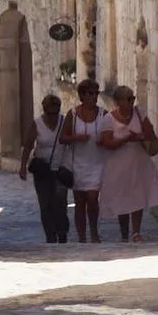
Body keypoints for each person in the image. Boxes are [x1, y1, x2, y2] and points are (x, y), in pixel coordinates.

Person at [97, 84, 158, 242]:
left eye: (133, 98)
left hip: (138, 163)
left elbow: (150, 134)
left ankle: (136, 232)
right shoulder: (108, 119)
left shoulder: (139, 114)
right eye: (128, 99)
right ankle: (124, 233)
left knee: (137, 196)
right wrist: (126, 139)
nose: (132, 102)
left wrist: (140, 136)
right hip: (119, 165)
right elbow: (107, 143)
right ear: (118, 101)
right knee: (122, 198)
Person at [19, 92, 68, 244]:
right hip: (43, 171)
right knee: (46, 204)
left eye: (55, 113)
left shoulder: (63, 122)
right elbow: (28, 145)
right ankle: (50, 236)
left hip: (60, 169)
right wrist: (23, 166)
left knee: (61, 204)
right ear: (44, 110)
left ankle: (62, 234)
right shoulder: (37, 124)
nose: (53, 116)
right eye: (50, 113)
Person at [61, 78, 106, 243]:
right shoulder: (72, 115)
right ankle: (81, 237)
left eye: (96, 93)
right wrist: (76, 137)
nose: (94, 97)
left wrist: (104, 141)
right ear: (82, 95)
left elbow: (111, 134)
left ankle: (94, 232)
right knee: (79, 202)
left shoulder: (103, 115)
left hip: (97, 163)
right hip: (78, 164)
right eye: (91, 93)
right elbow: (62, 138)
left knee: (93, 200)